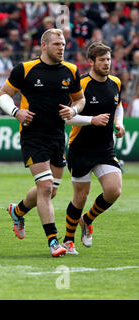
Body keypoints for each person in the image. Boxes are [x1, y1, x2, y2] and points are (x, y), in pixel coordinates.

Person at [0, 28, 86, 257]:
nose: (62, 48)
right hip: (32, 135)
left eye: (64, 44)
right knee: (45, 187)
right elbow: (3, 94)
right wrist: (16, 111)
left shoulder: (72, 70)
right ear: (44, 45)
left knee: (50, 191)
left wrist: (73, 110)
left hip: (57, 135)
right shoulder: (25, 69)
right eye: (57, 44)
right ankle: (53, 242)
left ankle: (17, 211)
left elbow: (80, 99)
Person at [62, 42, 125, 254]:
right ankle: (68, 241)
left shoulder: (115, 82)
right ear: (91, 62)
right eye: (102, 60)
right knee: (80, 196)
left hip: (105, 148)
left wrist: (120, 123)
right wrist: (92, 120)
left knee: (114, 190)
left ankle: (87, 220)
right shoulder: (81, 85)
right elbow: (67, 119)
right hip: (81, 148)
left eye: (109, 59)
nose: (107, 63)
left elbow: (118, 106)